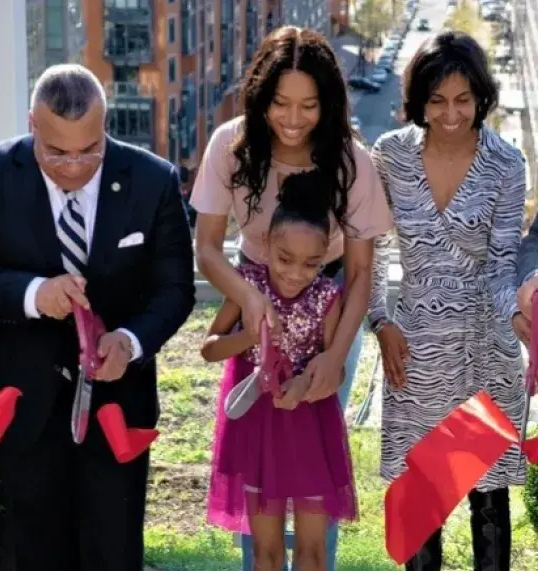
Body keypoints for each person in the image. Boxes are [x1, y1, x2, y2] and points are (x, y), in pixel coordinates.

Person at [0, 64, 195, 570]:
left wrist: (131, 340)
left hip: (116, 404)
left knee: (113, 547)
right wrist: (34, 293)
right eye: (58, 152)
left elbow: (175, 290)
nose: (76, 165)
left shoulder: (153, 179)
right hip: (19, 403)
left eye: (90, 149)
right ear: (32, 123)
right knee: (23, 549)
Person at [188, 26, 391, 570]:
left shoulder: (353, 161)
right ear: (260, 97)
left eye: (309, 105)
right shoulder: (230, 146)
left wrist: (332, 357)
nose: (294, 119)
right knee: (259, 476)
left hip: (330, 312)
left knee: (313, 475)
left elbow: (360, 270)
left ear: (328, 104)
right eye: (280, 103)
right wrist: (249, 303)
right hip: (252, 307)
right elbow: (207, 248)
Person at [369, 30, 527, 570]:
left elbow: (504, 266)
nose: (451, 113)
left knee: (488, 504)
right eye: (437, 100)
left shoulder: (508, 164)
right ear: (419, 101)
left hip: (485, 352)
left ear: (481, 97)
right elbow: (369, 249)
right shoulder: (389, 156)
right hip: (413, 357)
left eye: (463, 99)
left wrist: (519, 316)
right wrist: (379, 320)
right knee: (422, 504)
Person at [202, 169, 358, 571]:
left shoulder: (327, 296)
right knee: (265, 553)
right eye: (285, 258)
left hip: (308, 425)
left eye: (310, 263)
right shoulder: (247, 286)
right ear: (266, 244)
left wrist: (307, 384)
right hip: (256, 428)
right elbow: (209, 349)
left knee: (312, 552)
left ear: (324, 258)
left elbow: (334, 370)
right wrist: (250, 336)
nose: (294, 273)